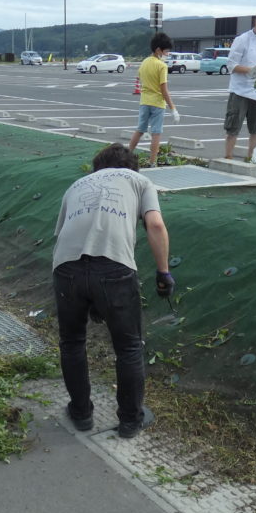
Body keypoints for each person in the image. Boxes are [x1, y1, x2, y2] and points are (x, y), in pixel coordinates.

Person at [51, 144, 172, 439]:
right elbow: (154, 224)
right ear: (131, 167)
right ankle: (130, 421)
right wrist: (163, 271)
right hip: (114, 268)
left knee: (72, 342)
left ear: (97, 168)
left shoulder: (76, 186)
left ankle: (81, 414)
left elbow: (63, 234)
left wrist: (89, 294)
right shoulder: (140, 181)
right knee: (128, 347)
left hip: (66, 268)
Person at [223, 7, 256, 161]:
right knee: (233, 127)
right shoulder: (242, 39)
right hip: (240, 90)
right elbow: (231, 65)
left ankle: (251, 159)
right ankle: (228, 158)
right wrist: (251, 71)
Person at [129, 32, 178, 167]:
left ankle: (126, 155)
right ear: (158, 50)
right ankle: (152, 162)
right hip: (157, 103)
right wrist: (173, 108)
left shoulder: (144, 62)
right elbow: (164, 90)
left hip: (144, 101)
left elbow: (140, 80)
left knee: (139, 130)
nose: (167, 53)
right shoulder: (161, 66)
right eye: (166, 50)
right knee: (156, 133)